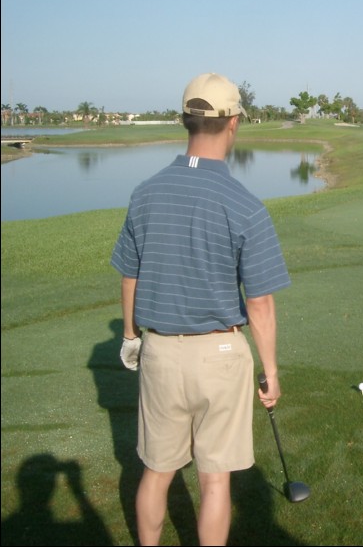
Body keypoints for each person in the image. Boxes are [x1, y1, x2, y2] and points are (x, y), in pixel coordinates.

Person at [111, 72, 291, 546]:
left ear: (184, 120)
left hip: (160, 352)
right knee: (215, 480)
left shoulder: (145, 192)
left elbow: (130, 273)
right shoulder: (245, 203)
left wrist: (130, 336)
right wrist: (270, 370)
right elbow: (259, 301)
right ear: (233, 123)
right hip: (222, 356)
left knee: (156, 472)